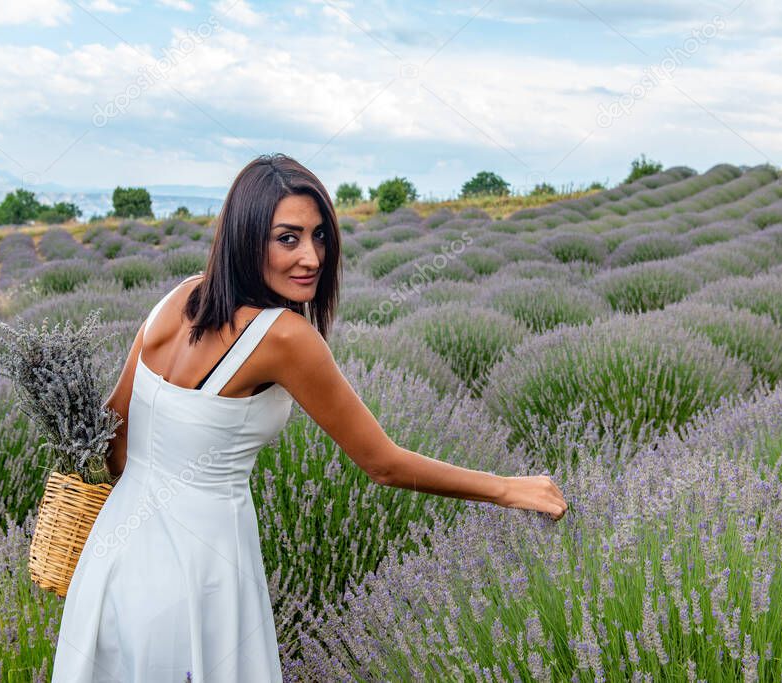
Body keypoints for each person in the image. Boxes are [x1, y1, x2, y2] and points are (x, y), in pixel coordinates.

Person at [50, 153, 568, 682]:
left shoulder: (176, 299)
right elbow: (382, 464)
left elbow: (109, 442)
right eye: (288, 238)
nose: (313, 257)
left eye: (319, 236)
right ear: (247, 238)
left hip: (112, 556)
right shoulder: (285, 336)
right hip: (200, 571)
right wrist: (507, 488)